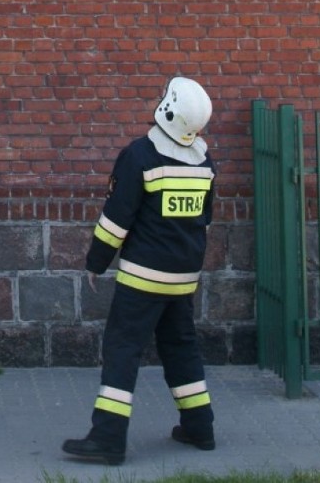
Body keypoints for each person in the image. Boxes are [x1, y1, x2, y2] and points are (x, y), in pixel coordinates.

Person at [62, 76, 217, 466]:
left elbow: (117, 219)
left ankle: (108, 438)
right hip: (184, 278)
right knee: (181, 347)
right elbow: (205, 220)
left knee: (122, 349)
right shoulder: (203, 161)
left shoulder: (140, 155)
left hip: (143, 277)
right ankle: (200, 427)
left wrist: (95, 263)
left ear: (167, 110)